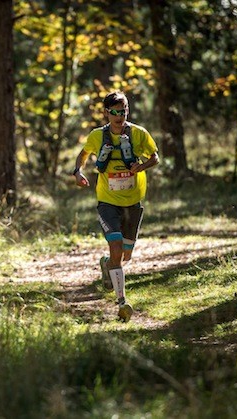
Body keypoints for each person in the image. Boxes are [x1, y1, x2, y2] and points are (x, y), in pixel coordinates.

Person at [72, 90, 159, 322]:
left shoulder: (138, 133)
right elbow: (83, 154)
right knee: (116, 246)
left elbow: (155, 157)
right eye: (115, 112)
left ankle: (107, 266)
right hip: (107, 201)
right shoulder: (97, 136)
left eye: (124, 111)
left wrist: (141, 167)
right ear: (106, 113)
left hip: (133, 201)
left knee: (125, 256)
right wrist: (78, 171)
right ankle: (122, 302)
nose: (120, 116)